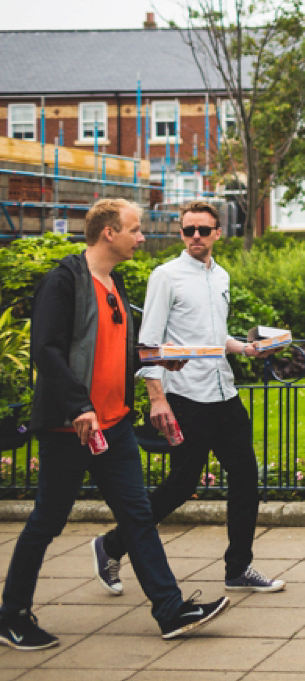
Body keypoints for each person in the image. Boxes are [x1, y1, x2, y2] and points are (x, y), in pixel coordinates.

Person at [1, 199, 228, 650]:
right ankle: (11, 616)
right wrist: (79, 406)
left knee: (138, 516)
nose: (141, 237)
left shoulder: (114, 282)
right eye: (135, 229)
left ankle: (170, 610)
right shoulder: (65, 280)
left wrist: (161, 361)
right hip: (74, 428)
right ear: (109, 232)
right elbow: (46, 349)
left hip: (114, 425)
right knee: (47, 521)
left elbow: (118, 350)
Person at [94, 200, 284, 595]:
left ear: (217, 233)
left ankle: (239, 568)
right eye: (188, 230)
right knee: (181, 485)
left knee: (246, 479)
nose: (195, 236)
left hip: (224, 393)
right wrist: (157, 397)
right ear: (182, 234)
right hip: (185, 396)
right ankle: (111, 545)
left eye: (203, 229)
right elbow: (149, 343)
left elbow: (215, 338)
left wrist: (246, 349)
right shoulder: (166, 276)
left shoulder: (222, 276)